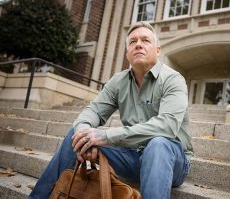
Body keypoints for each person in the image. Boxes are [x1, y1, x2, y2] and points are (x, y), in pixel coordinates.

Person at [29, 21, 193, 199]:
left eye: (145, 40)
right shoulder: (118, 81)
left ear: (157, 50)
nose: (138, 44)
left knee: (158, 143)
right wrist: (85, 134)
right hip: (132, 156)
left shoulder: (173, 79)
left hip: (171, 160)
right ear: (127, 53)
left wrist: (105, 137)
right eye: (132, 42)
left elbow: (167, 126)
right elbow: (93, 111)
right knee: (76, 136)